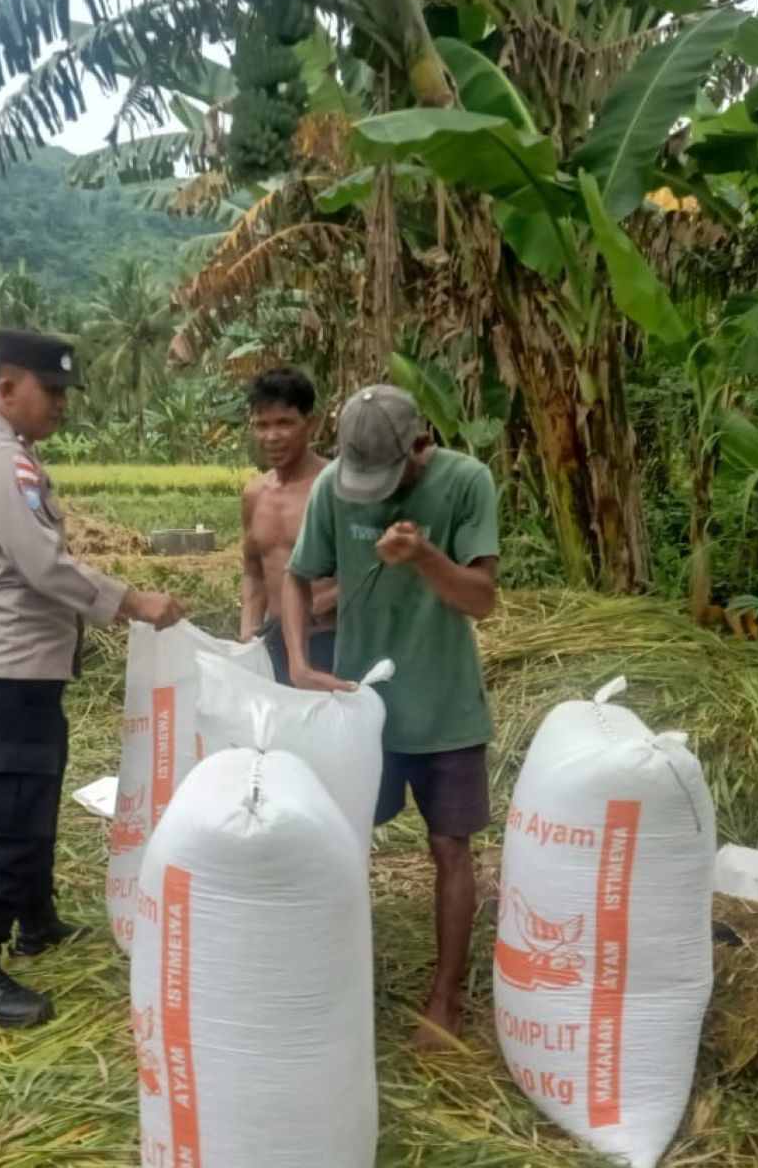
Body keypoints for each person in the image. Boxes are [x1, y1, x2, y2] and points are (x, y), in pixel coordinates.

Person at [0, 328, 184, 1029]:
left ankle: (36, 920)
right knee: (14, 820)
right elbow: (44, 567)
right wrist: (133, 602)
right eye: (50, 391)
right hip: (10, 669)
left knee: (34, 801)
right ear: (7, 387)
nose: (58, 406)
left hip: (21, 669)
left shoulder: (11, 457)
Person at [280, 384, 500, 1050]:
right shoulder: (331, 492)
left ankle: (445, 1000)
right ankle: (332, 980)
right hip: (358, 710)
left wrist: (425, 557)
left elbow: (482, 600)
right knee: (340, 842)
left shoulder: (466, 483)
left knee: (448, 848)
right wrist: (296, 660)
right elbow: (297, 576)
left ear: (420, 447)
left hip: (443, 707)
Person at [239, 367, 337, 684]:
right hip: (272, 646)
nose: (272, 436)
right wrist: (248, 633)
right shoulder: (255, 494)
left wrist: (317, 605)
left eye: (284, 423)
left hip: (332, 642)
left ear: (310, 423)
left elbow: (371, 570)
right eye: (262, 425)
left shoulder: (336, 487)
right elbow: (254, 572)